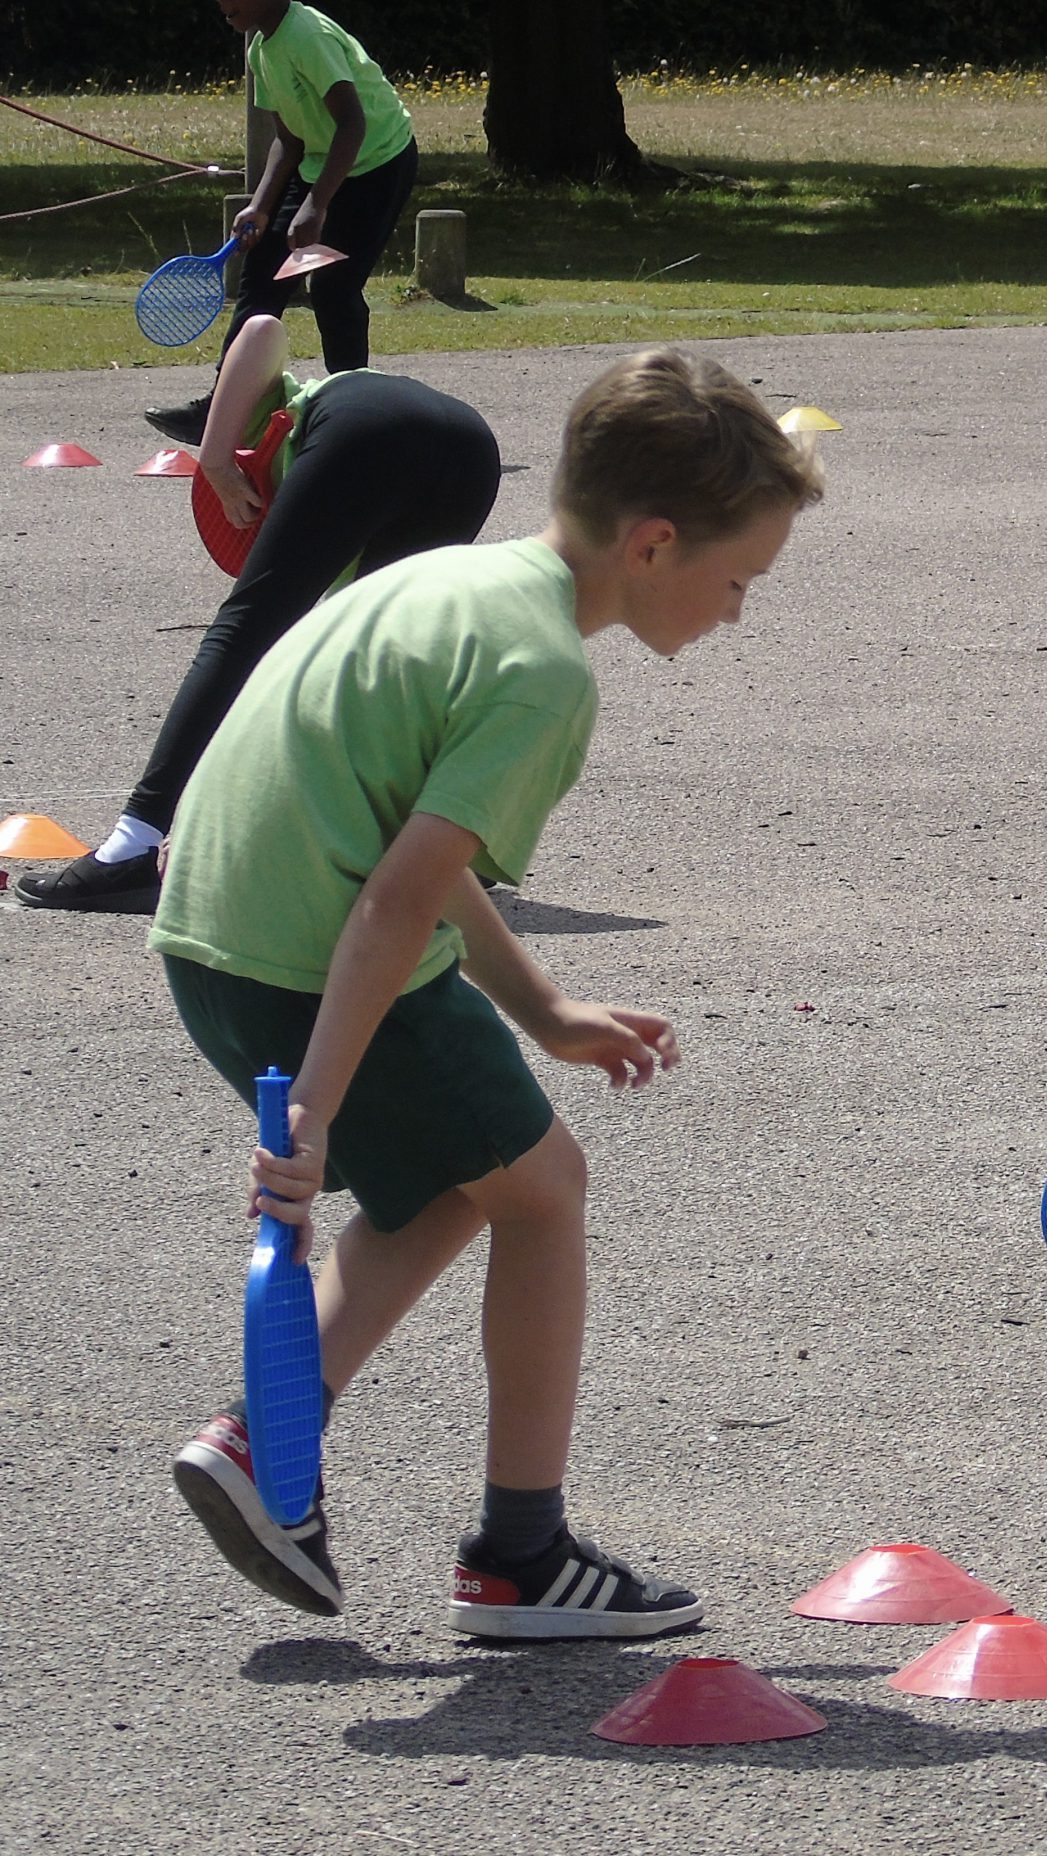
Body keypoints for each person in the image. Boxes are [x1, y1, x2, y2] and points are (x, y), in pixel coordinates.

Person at [157, 349, 823, 1635]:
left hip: (215, 937)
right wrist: (314, 1116)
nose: (740, 608)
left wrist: (544, 1010)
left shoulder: (454, 580)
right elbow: (398, 900)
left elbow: (414, 845)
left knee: (471, 1177)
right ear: (652, 542)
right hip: (317, 954)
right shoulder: (544, 674)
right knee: (544, 1188)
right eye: (738, 578)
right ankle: (520, 1552)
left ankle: (262, 1443)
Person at [21, 316, 498, 912]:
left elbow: (263, 328)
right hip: (472, 447)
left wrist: (216, 459)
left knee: (241, 633)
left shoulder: (268, 415)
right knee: (388, 662)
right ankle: (433, 852)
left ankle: (133, 846)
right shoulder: (309, 441)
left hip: (370, 429)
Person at [144, 0, 418, 444]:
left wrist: (317, 205)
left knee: (332, 287)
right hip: (317, 164)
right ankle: (219, 411)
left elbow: (352, 124)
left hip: (376, 163)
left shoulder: (308, 36)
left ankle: (358, 418)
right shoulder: (261, 48)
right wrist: (261, 205)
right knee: (261, 279)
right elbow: (289, 142)